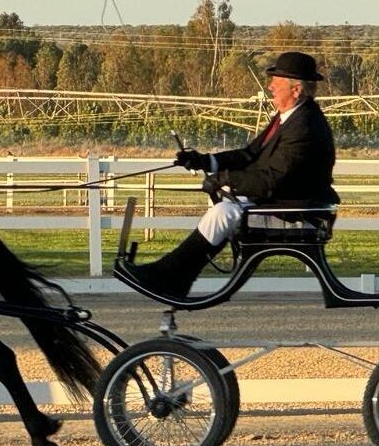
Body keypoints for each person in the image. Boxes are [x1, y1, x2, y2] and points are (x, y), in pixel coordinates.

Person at [118, 50, 339, 299]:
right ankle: (172, 275)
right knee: (224, 210)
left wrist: (225, 179)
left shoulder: (305, 126)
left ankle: (171, 276)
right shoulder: (290, 118)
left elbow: (271, 180)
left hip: (300, 213)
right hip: (284, 203)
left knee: (224, 212)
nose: (270, 88)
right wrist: (204, 161)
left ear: (296, 89)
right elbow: (249, 155)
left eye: (276, 84)